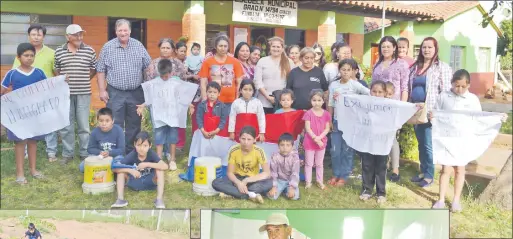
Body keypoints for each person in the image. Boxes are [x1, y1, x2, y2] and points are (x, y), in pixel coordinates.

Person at [430, 69, 508, 212]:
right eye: (456, 86)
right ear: (452, 83)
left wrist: (497, 116)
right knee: (446, 169)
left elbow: (479, 117)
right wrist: (432, 116)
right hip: (447, 138)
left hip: (463, 139)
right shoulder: (444, 96)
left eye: (463, 87)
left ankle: (456, 201)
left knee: (460, 169)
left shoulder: (472, 100)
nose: (459, 89)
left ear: (468, 85)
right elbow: (436, 112)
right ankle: (440, 199)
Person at [96, 19, 152, 154]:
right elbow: (100, 70)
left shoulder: (138, 45)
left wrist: (149, 87)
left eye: (125, 30)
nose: (123, 33)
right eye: (120, 30)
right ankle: (116, 153)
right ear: (116, 32)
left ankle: (132, 152)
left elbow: (149, 66)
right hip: (115, 92)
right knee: (115, 123)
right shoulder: (108, 47)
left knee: (134, 124)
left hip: (136, 92)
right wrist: (102, 90)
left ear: (130, 31)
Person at [1, 43, 48, 184]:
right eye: (26, 55)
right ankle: (20, 174)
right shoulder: (12, 74)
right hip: (18, 115)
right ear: (19, 57)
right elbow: (2, 91)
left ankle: (33, 170)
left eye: (31, 55)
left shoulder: (39, 72)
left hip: (34, 113)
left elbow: (49, 89)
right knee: (20, 142)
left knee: (33, 141)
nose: (29, 58)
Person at [409, 37, 452, 188]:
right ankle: (423, 170)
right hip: (415, 111)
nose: (426, 50)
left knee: (428, 144)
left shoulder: (441, 67)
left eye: (430, 47)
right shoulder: (415, 67)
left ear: (435, 49)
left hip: (430, 113)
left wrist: (438, 112)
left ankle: (429, 175)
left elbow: (446, 93)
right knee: (420, 143)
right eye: (424, 47)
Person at [54, 24, 98, 165]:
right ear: (68, 37)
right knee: (67, 125)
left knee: (84, 125)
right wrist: (61, 79)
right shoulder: (59, 51)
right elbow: (56, 69)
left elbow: (94, 69)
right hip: (65, 94)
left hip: (84, 93)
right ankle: (68, 154)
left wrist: (84, 79)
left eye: (81, 34)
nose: (79, 37)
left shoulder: (89, 50)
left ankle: (84, 153)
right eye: (76, 34)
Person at [12, 24, 56, 162]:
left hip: (45, 95)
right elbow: (15, 72)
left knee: (49, 122)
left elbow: (56, 73)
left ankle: (51, 152)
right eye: (33, 34)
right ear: (29, 36)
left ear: (43, 37)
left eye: (39, 34)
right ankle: (25, 152)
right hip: (26, 96)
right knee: (26, 123)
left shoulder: (51, 53)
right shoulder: (22, 51)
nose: (36, 37)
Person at [327, 58, 370, 187]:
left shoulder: (354, 85)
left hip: (351, 123)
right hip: (337, 121)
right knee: (335, 150)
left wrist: (357, 103)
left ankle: (344, 176)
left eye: (348, 70)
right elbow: (330, 104)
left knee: (347, 150)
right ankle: (336, 174)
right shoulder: (334, 85)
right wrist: (329, 120)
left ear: (352, 71)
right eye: (343, 69)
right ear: (339, 70)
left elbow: (369, 94)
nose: (345, 72)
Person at [211, 126, 273, 204]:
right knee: (216, 182)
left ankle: (234, 194)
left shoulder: (259, 151)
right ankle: (250, 195)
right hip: (236, 179)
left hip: (252, 180)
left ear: (254, 140)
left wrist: (247, 180)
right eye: (243, 139)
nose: (246, 142)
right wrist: (238, 183)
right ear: (239, 138)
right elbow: (230, 172)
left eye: (249, 139)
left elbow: (267, 173)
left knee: (270, 182)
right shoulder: (233, 150)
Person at [136, 59, 180, 170]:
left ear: (171, 73)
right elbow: (150, 98)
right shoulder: (154, 83)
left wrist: (189, 105)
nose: (164, 78)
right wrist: (143, 105)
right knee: (159, 137)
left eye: (166, 76)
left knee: (173, 137)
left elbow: (182, 96)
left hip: (172, 115)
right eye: (162, 76)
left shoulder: (176, 82)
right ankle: (159, 159)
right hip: (159, 116)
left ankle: (172, 159)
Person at [111, 131, 168, 209]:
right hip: (134, 181)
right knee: (121, 171)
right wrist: (130, 171)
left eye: (145, 146)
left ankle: (159, 200)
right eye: (139, 145)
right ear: (135, 145)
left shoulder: (151, 153)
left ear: (150, 146)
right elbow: (115, 168)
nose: (142, 148)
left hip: (150, 182)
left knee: (160, 169)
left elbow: (165, 166)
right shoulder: (133, 154)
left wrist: (147, 164)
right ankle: (120, 199)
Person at [359, 80, 389, 204]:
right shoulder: (365, 104)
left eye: (380, 92)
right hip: (368, 140)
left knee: (381, 166)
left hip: (382, 142)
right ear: (370, 92)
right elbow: (352, 106)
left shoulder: (390, 105)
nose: (376, 94)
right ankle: (367, 190)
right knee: (367, 165)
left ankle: (381, 192)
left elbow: (403, 111)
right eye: (374, 91)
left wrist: (416, 107)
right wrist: (340, 98)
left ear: (385, 93)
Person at [199, 35, 244, 111]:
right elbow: (203, 83)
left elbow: (239, 83)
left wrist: (237, 100)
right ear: (216, 46)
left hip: (231, 102)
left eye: (225, 46)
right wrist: (204, 100)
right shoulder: (207, 62)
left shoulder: (235, 62)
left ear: (228, 47)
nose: (223, 48)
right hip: (213, 101)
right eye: (220, 46)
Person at [254, 36, 294, 114]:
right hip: (263, 102)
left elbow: (291, 82)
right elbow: (257, 81)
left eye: (278, 47)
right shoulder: (262, 61)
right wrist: (267, 97)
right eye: (273, 46)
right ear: (270, 47)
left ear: (282, 49)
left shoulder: (289, 62)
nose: (276, 49)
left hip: (282, 103)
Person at [80, 107, 125, 173]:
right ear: (98, 121)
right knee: (82, 167)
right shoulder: (95, 132)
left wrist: (109, 153)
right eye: (101, 121)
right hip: (99, 156)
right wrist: (100, 152)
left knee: (119, 165)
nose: (104, 124)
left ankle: (103, 170)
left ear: (112, 121)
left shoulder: (119, 130)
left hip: (115, 157)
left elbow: (121, 150)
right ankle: (106, 170)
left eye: (107, 121)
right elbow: (90, 149)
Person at [303, 90, 331, 190]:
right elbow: (308, 128)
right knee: (309, 163)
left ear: (323, 101)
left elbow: (327, 128)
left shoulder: (327, 114)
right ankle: (308, 182)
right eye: (314, 100)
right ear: (311, 101)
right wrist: (316, 138)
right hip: (310, 142)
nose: (317, 102)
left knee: (319, 164)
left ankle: (319, 181)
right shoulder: (308, 113)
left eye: (319, 100)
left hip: (321, 142)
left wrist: (320, 138)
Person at [372, 36, 410, 102]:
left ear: (394, 48)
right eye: (383, 47)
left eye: (388, 47)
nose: (385, 49)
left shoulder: (402, 64)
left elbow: (404, 88)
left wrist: (403, 106)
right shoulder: (377, 65)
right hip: (378, 103)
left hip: (394, 104)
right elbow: (373, 85)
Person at [268, 133, 300, 200]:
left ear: (292, 146)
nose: (285, 148)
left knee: (294, 197)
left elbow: (295, 173)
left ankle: (287, 189)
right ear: (278, 146)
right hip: (279, 180)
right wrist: (274, 186)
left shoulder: (295, 158)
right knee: (271, 197)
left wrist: (292, 187)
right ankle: (281, 189)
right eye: (282, 145)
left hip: (290, 181)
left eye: (288, 145)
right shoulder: (275, 156)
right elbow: (273, 172)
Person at [385, 82, 401, 182]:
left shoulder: (395, 104)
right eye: (385, 93)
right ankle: (385, 166)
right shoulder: (377, 103)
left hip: (392, 128)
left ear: (393, 94)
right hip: (380, 129)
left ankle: (396, 170)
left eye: (389, 94)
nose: (387, 96)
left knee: (393, 144)